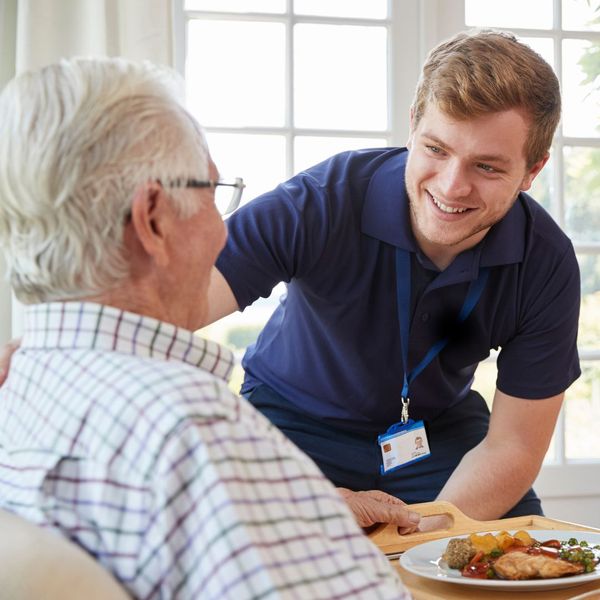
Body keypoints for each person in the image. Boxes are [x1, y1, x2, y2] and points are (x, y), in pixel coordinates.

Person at [0, 57, 412, 599]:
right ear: (152, 218)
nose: (224, 231)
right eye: (213, 193)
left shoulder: (19, 387)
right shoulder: (190, 427)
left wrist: (279, 508)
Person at [204, 29, 581, 523]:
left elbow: (513, 447)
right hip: (290, 424)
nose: (452, 187)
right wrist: (302, 504)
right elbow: (159, 307)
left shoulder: (546, 261)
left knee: (510, 570)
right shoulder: (320, 202)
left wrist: (420, 537)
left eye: (487, 167)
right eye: (436, 149)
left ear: (533, 170)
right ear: (412, 127)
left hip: (436, 436)